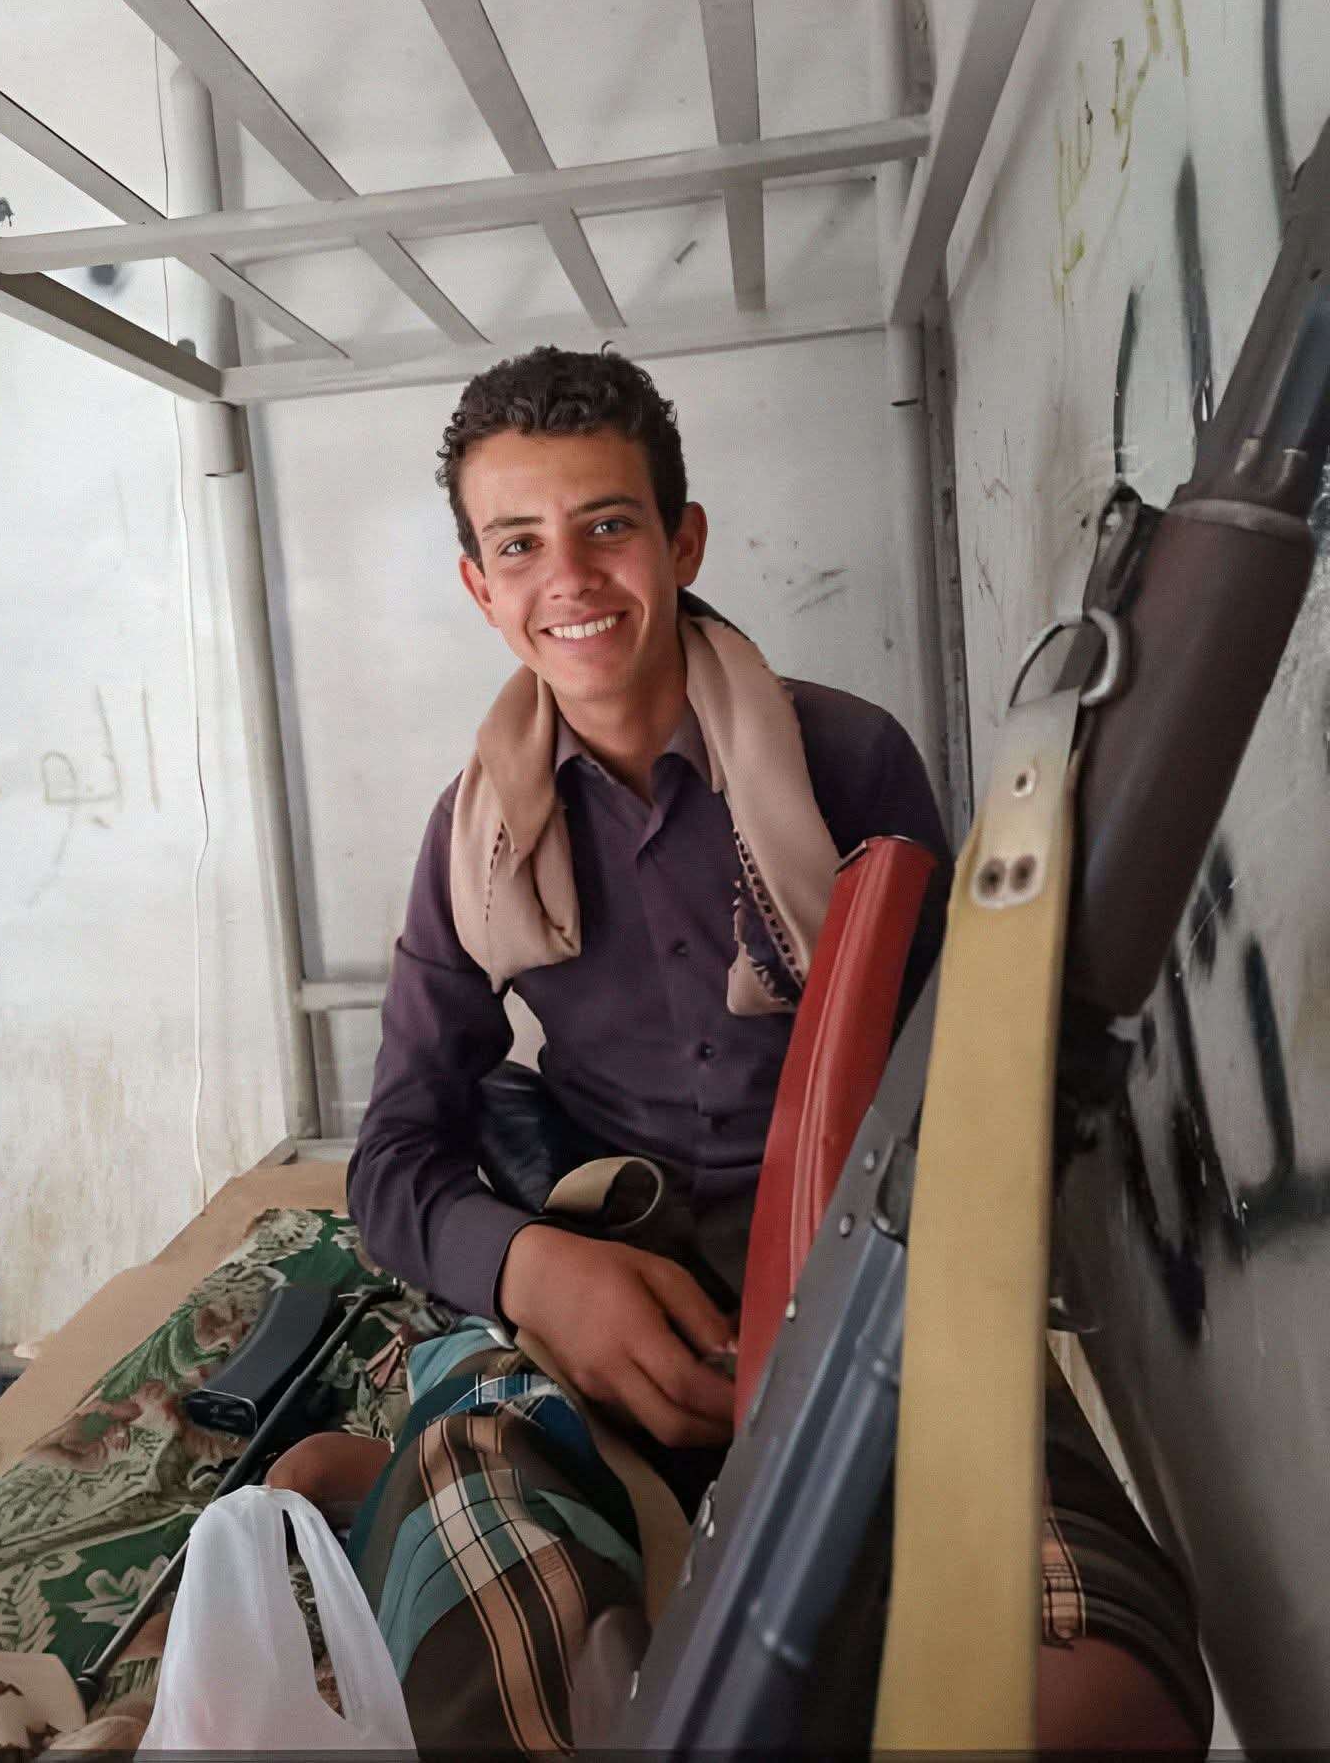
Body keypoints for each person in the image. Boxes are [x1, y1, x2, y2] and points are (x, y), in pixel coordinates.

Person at [344, 345, 1211, 1753]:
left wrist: (868, 1285)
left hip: (863, 1253)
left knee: (1087, 1662)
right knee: (476, 1525)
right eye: (519, 544)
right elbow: (393, 1159)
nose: (568, 577)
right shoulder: (470, 842)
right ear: (479, 586)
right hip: (612, 1276)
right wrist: (537, 1270)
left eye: (607, 525)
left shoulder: (847, 762)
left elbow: (963, 1078)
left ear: (682, 541)